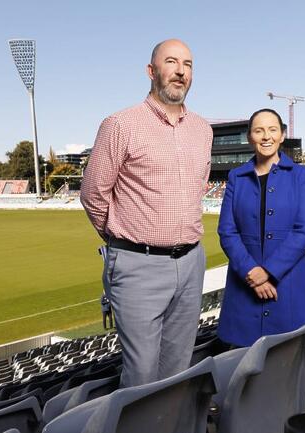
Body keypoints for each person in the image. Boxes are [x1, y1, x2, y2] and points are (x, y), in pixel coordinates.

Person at [81, 39, 213, 387]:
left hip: (191, 262)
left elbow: (198, 188)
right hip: (138, 265)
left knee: (178, 370)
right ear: (151, 71)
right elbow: (93, 194)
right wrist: (125, 239)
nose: (181, 70)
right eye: (171, 62)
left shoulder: (203, 130)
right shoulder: (120, 124)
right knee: (141, 377)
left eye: (188, 63)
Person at [216, 108, 305, 347]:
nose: (266, 136)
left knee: (285, 367)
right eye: (259, 130)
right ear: (250, 137)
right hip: (244, 289)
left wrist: (268, 271)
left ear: (282, 135)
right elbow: (227, 231)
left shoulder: (300, 175)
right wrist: (252, 273)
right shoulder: (236, 177)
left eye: (272, 130)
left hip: (287, 290)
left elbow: (304, 230)